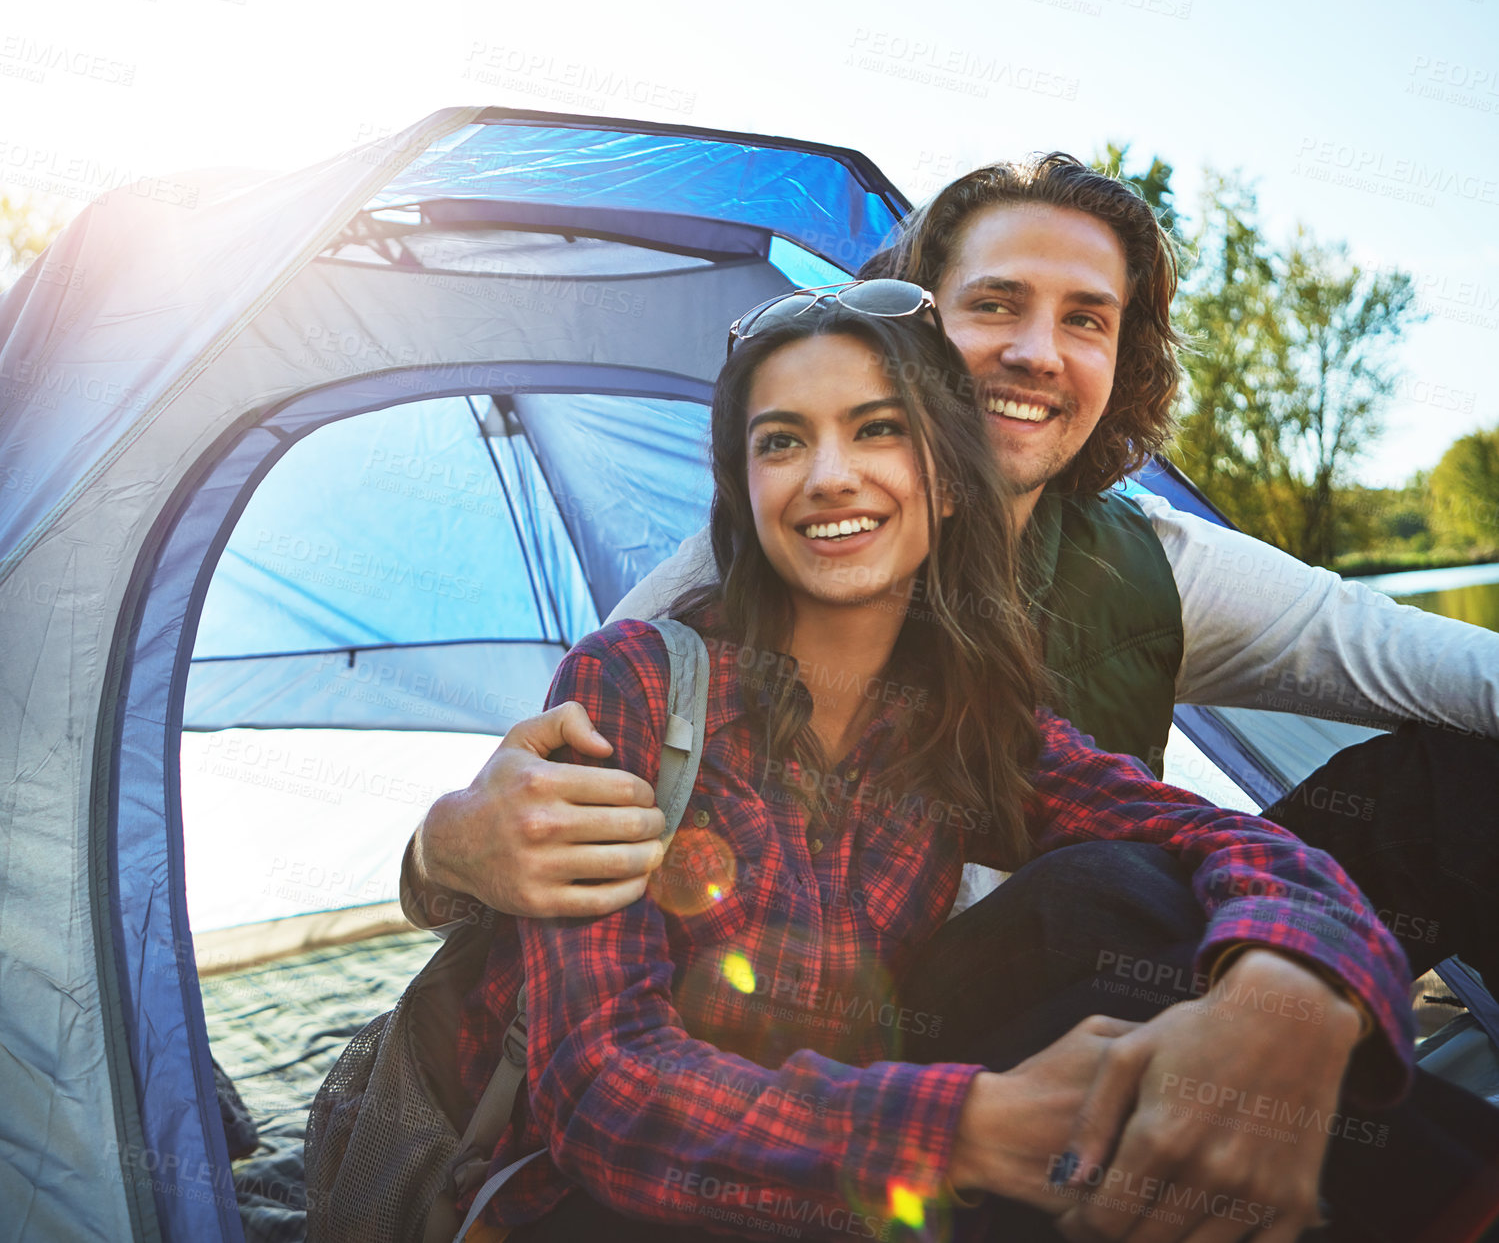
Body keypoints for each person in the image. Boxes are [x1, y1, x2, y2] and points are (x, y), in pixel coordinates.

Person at [403, 154, 1499, 1000]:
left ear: (1121, 364)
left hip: (1124, 993)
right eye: (993, 304)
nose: (1034, 350)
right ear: (903, 333)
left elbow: (1414, 657)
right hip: (851, 1055)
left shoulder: (1157, 567)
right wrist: (440, 848)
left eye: (1084, 319)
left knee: (1461, 789)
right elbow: (528, 819)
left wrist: (1279, 951)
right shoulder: (741, 568)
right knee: (1089, 887)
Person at [452, 287, 1418, 1242]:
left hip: (869, 1162)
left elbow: (1215, 834)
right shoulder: (632, 682)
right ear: (744, 494)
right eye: (781, 441)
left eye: (876, 430)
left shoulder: (973, 715)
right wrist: (971, 1127)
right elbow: (605, 1092)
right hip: (615, 1201)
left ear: (948, 482)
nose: (828, 475)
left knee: (1120, 885)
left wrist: (1296, 985)